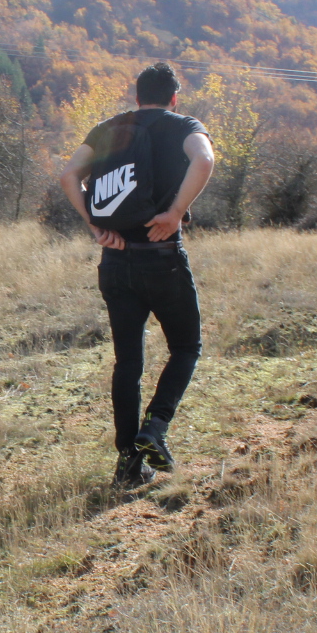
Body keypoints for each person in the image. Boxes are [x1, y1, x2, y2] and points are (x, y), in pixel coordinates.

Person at [60, 62, 216, 489]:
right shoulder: (184, 124)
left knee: (128, 362)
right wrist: (175, 212)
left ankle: (129, 463)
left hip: (115, 262)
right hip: (162, 257)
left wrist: (94, 226)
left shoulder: (109, 128)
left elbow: (68, 174)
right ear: (173, 97)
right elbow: (204, 159)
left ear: (136, 96)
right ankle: (155, 428)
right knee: (186, 346)